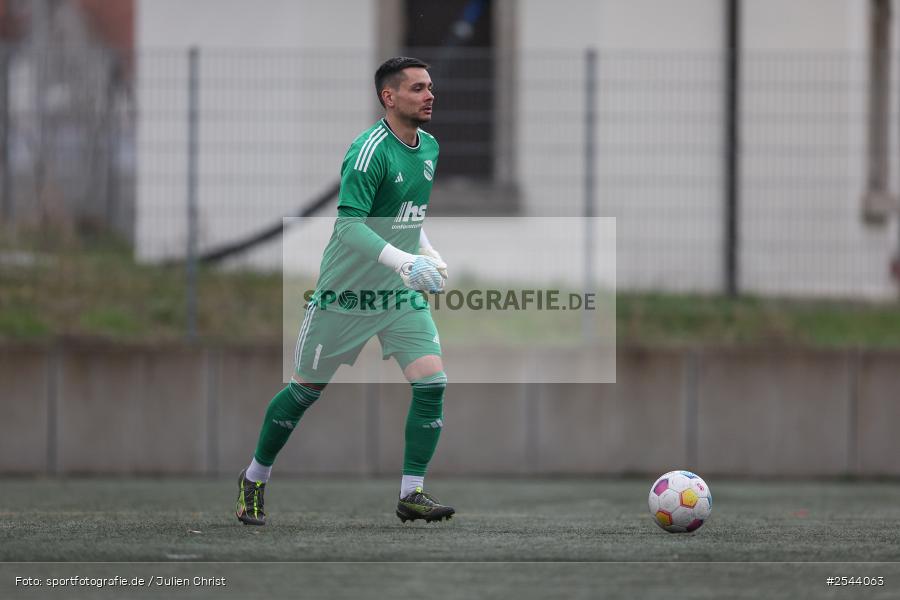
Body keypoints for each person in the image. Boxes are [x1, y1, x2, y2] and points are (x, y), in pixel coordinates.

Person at [235, 57, 454, 526]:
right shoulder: (369, 150)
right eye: (417, 88)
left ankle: (411, 494)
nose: (429, 95)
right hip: (345, 296)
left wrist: (428, 255)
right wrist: (405, 261)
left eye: (430, 86)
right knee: (304, 392)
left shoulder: (430, 146)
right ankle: (254, 477)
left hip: (395, 296)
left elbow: (407, 215)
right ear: (389, 97)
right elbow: (349, 226)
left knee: (432, 383)